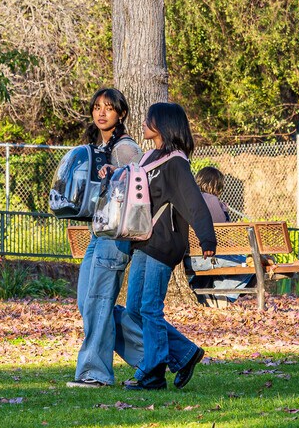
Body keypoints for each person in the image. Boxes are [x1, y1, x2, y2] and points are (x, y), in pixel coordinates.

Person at [124, 102, 216, 390]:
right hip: (143, 241)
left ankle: (152, 374)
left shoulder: (176, 162)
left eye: (150, 118)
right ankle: (185, 353)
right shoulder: (149, 157)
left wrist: (207, 238)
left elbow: (193, 201)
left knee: (150, 307)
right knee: (134, 310)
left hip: (164, 242)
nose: (145, 121)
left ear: (163, 124)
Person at [66, 88, 143, 388]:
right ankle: (162, 354)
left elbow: (138, 191)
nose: (101, 113)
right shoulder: (97, 146)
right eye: (97, 107)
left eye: (108, 108)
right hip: (98, 234)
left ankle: (94, 373)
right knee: (89, 302)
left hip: (115, 236)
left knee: (97, 303)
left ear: (120, 114)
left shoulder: (124, 149)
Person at [186, 167, 254, 307]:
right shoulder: (212, 201)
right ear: (216, 185)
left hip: (188, 259)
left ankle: (200, 292)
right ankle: (222, 297)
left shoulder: (188, 199)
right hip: (208, 258)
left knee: (231, 263)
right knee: (250, 263)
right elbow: (222, 237)